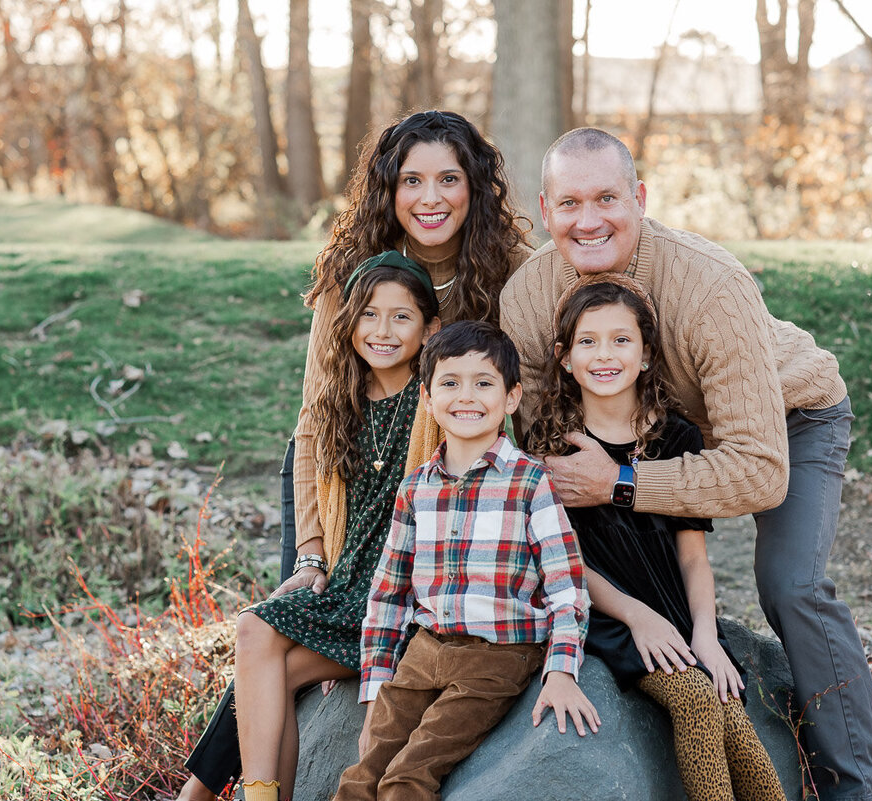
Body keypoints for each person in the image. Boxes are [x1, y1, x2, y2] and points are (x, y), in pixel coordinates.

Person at [499, 127, 872, 801]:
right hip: (641, 443)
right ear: (544, 209)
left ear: (640, 197)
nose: (588, 220)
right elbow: (546, 469)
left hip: (788, 424)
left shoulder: (711, 286)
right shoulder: (528, 300)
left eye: (607, 198)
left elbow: (759, 469)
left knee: (790, 582)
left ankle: (859, 788)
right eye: (569, 204)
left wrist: (621, 484)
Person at [178, 110, 532, 801]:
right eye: (412, 180)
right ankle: (202, 785)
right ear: (388, 189)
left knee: (277, 653)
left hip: (421, 501)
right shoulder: (353, 274)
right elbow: (317, 420)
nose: (430, 197)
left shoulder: (507, 275)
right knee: (276, 626)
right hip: (335, 470)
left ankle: (196, 790)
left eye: (448, 179)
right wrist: (312, 549)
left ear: (476, 187)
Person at [185, 252, 442, 801]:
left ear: (430, 327)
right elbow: (315, 485)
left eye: (402, 317)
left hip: (400, 595)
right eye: (369, 315)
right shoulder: (338, 403)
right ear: (347, 321)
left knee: (262, 650)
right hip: (347, 587)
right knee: (258, 637)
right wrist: (313, 559)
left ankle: (218, 794)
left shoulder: (438, 399)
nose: (383, 330)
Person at [526, 273, 786, 801]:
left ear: (646, 354)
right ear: (564, 357)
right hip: (605, 613)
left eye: (621, 340)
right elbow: (561, 557)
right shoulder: (550, 445)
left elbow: (693, 559)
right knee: (692, 695)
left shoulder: (676, 437)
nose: (605, 355)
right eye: (588, 342)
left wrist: (706, 635)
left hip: (672, 610)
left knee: (730, 710)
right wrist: (635, 615)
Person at [332, 321, 597, 801]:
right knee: (359, 778)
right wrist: (375, 688)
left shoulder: (528, 482)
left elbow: (567, 585)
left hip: (496, 656)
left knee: (407, 776)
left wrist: (560, 669)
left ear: (512, 397)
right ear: (428, 400)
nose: (466, 397)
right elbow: (388, 594)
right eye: (450, 383)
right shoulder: (416, 488)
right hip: (425, 651)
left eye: (483, 383)